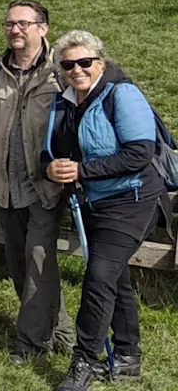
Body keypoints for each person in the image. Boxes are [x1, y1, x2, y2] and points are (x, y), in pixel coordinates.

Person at [44, 31, 169, 390]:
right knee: (113, 277)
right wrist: (50, 168)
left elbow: (138, 153)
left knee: (98, 277)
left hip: (134, 200)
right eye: (68, 64)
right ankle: (128, 357)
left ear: (101, 61)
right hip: (93, 203)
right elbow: (49, 152)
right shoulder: (62, 102)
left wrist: (81, 170)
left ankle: (84, 361)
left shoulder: (122, 94)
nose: (77, 69)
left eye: (85, 62)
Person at [0, 0, 73, 364]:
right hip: (3, 183)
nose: (14, 30)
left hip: (44, 184)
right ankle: (60, 331)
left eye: (23, 24)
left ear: (42, 28)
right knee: (19, 263)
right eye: (9, 24)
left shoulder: (60, 70)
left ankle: (30, 344)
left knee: (38, 258)